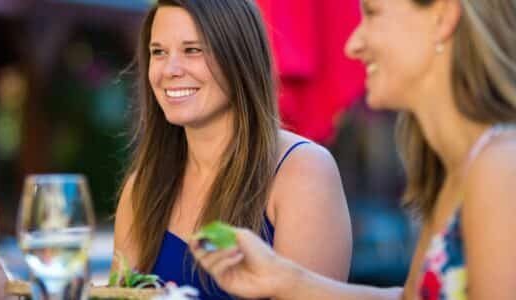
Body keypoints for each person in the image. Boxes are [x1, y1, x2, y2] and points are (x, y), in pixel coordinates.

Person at [191, 0, 516, 299]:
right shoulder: (464, 168)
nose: (353, 44)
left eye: (373, 13)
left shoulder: (511, 167)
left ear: (443, 16)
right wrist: (283, 279)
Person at [111, 0, 353, 299]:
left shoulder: (302, 171)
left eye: (192, 50)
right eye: (158, 52)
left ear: (239, 57)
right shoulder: (140, 189)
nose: (169, 70)